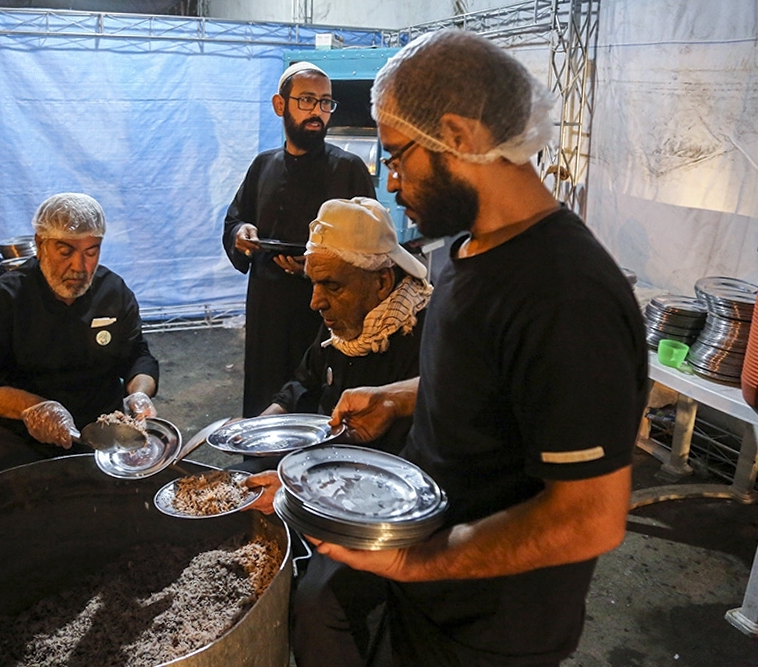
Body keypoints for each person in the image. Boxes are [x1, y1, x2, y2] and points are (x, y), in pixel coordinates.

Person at [306, 31, 649, 666]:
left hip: (492, 626)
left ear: (458, 137)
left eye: (397, 156)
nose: (391, 180)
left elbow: (590, 517)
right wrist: (402, 397)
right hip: (432, 584)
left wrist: (420, 560)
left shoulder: (565, 296)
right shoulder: (470, 248)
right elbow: (494, 382)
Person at [246, 196, 431, 667]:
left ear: (382, 280)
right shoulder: (344, 326)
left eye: (331, 285)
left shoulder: (425, 337)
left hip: (386, 514)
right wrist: (263, 422)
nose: (315, 301)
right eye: (313, 283)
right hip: (328, 475)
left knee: (316, 602)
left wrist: (295, 491)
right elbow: (305, 380)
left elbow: (410, 474)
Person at [0, 193, 159, 480]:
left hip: (101, 431)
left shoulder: (113, 292)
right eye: (66, 252)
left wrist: (139, 394)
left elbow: (138, 356)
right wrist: (33, 408)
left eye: (91, 252)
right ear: (40, 245)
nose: (79, 267)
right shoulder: (6, 298)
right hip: (22, 435)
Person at [223, 61, 376, 418]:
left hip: (324, 312)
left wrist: (316, 267)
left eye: (325, 103)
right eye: (307, 101)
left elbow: (372, 247)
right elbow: (236, 218)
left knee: (314, 401)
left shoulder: (348, 168)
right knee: (264, 397)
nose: (318, 112)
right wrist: (240, 234)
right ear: (281, 105)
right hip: (268, 307)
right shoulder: (263, 165)